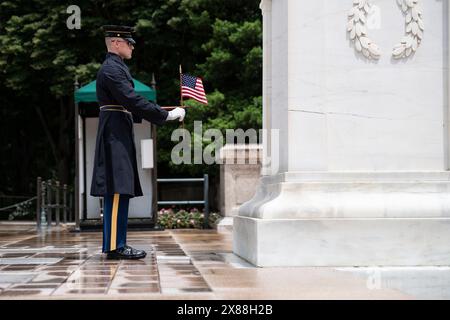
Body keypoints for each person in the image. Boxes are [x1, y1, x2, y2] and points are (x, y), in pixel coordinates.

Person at [90, 25, 185, 260]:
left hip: (118, 131)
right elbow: (130, 99)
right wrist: (166, 116)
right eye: (128, 42)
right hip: (114, 135)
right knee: (115, 189)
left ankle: (118, 243)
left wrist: (163, 110)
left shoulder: (117, 67)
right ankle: (114, 246)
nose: (132, 46)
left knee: (121, 189)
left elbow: (127, 104)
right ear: (115, 43)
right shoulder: (111, 69)